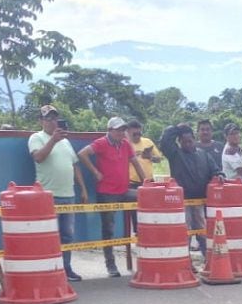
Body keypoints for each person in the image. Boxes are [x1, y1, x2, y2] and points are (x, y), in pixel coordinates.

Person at [78, 117, 145, 278]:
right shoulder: (101, 143)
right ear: (110, 130)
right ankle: (111, 264)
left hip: (124, 190)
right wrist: (95, 172)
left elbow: (136, 163)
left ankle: (144, 245)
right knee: (108, 228)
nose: (122, 132)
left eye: (123, 129)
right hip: (107, 192)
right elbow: (82, 154)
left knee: (145, 199)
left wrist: (147, 183)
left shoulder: (125, 144)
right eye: (118, 130)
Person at [29, 105, 88, 281]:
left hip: (68, 194)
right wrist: (53, 140)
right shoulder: (36, 138)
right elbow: (38, 157)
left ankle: (66, 268)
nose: (52, 122)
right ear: (40, 121)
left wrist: (83, 189)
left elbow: (74, 166)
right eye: (48, 119)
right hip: (47, 195)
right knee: (48, 235)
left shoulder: (66, 141)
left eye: (55, 118)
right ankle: (48, 269)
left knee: (67, 235)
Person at [158, 122, 219, 257]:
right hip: (182, 201)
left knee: (202, 231)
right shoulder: (175, 154)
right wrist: (176, 128)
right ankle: (185, 262)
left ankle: (208, 260)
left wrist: (219, 175)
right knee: (184, 231)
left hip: (198, 200)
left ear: (194, 140)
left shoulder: (203, 155)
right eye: (184, 142)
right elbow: (165, 141)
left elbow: (215, 170)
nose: (188, 144)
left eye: (190, 141)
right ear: (179, 142)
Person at [125, 119, 163, 233]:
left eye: (139, 133)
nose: (137, 136)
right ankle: (138, 233)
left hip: (148, 182)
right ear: (128, 132)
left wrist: (150, 157)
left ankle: (151, 230)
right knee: (135, 210)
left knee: (151, 208)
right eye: (134, 134)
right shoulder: (124, 144)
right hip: (132, 182)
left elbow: (160, 159)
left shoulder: (147, 142)